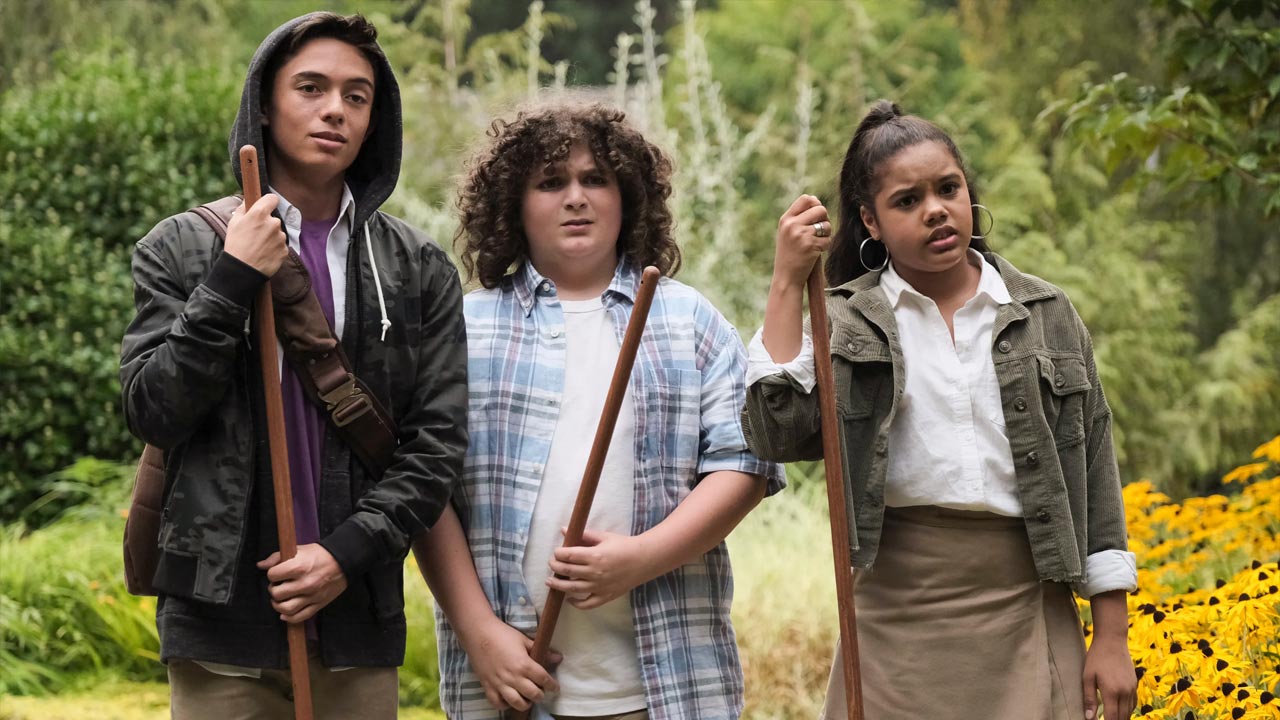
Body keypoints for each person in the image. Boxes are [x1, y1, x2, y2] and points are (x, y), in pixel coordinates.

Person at [119, 12, 467, 718]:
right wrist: (231, 278)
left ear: (374, 121)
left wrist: (344, 554)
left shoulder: (418, 268)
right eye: (311, 88)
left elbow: (437, 446)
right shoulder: (180, 247)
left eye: (356, 96)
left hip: (355, 622)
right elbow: (154, 409)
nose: (335, 109)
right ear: (264, 105)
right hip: (219, 625)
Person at [742, 100, 1138, 720]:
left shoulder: (1046, 314)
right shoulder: (845, 321)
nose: (935, 210)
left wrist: (1111, 637)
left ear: (968, 193)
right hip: (892, 624)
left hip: (1028, 605)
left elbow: (1095, 473)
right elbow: (776, 434)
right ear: (870, 221)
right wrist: (788, 282)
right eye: (907, 201)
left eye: (948, 188)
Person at [414, 104, 784, 719]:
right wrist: (478, 631)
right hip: (511, 683)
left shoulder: (687, 320)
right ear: (512, 204)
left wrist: (643, 557)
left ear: (628, 196)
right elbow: (426, 493)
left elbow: (744, 465)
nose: (575, 197)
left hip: (668, 683)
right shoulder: (464, 329)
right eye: (550, 182)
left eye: (595, 179)